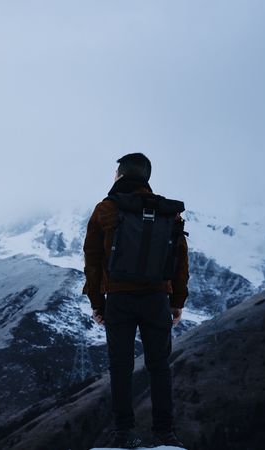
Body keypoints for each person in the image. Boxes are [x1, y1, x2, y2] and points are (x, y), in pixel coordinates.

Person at [82, 153, 189, 448]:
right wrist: (177, 300)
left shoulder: (106, 209)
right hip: (156, 297)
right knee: (160, 365)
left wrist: (96, 302)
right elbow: (180, 259)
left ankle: (123, 433)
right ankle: (165, 433)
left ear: (119, 175)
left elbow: (92, 260)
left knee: (120, 366)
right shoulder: (168, 211)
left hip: (119, 297)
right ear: (146, 178)